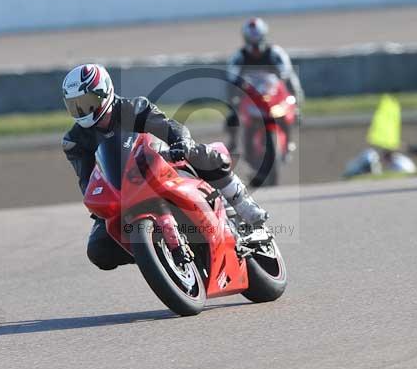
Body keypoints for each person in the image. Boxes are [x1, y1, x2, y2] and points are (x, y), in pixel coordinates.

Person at [61, 63, 269, 271]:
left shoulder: (134, 108)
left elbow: (168, 126)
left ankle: (242, 203)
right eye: (75, 105)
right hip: (122, 189)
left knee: (200, 153)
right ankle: (154, 252)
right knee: (98, 250)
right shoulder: (74, 141)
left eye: (87, 103)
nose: (81, 111)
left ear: (104, 92)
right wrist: (98, 208)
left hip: (158, 163)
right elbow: (86, 180)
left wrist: (181, 143)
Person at [226, 17, 305, 151]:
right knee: (232, 115)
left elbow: (286, 72)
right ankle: (233, 142)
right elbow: (231, 78)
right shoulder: (239, 57)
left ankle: (292, 128)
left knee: (292, 83)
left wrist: (288, 90)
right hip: (250, 95)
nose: (255, 47)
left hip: (272, 93)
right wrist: (235, 99)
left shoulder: (275, 53)